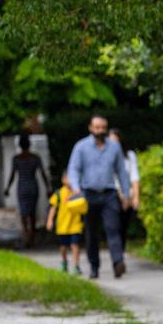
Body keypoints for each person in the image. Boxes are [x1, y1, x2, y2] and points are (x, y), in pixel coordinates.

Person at [67, 115, 129, 279]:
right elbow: (73, 169)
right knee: (91, 233)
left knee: (113, 228)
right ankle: (94, 267)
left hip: (109, 194)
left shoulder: (114, 147)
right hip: (89, 195)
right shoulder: (81, 147)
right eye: (97, 127)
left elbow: (121, 172)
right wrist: (76, 189)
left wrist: (126, 194)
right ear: (90, 128)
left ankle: (118, 262)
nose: (100, 130)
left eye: (103, 127)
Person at [4, 133, 50, 248]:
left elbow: (12, 175)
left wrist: (8, 188)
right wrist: (48, 187)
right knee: (32, 213)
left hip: (22, 187)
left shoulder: (16, 159)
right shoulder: (35, 157)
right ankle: (32, 237)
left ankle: (26, 235)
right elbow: (43, 174)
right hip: (33, 186)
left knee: (24, 213)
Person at [46, 172, 88, 275]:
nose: (70, 180)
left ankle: (76, 266)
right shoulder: (59, 193)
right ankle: (64, 262)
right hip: (62, 225)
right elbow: (53, 208)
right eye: (68, 178)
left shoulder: (77, 193)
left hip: (75, 224)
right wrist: (50, 220)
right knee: (63, 246)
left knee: (75, 245)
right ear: (63, 180)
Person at [109, 128, 140, 252]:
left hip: (127, 193)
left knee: (122, 225)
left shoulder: (129, 156)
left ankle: (119, 253)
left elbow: (134, 177)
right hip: (112, 194)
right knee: (112, 224)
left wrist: (135, 196)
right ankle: (116, 253)